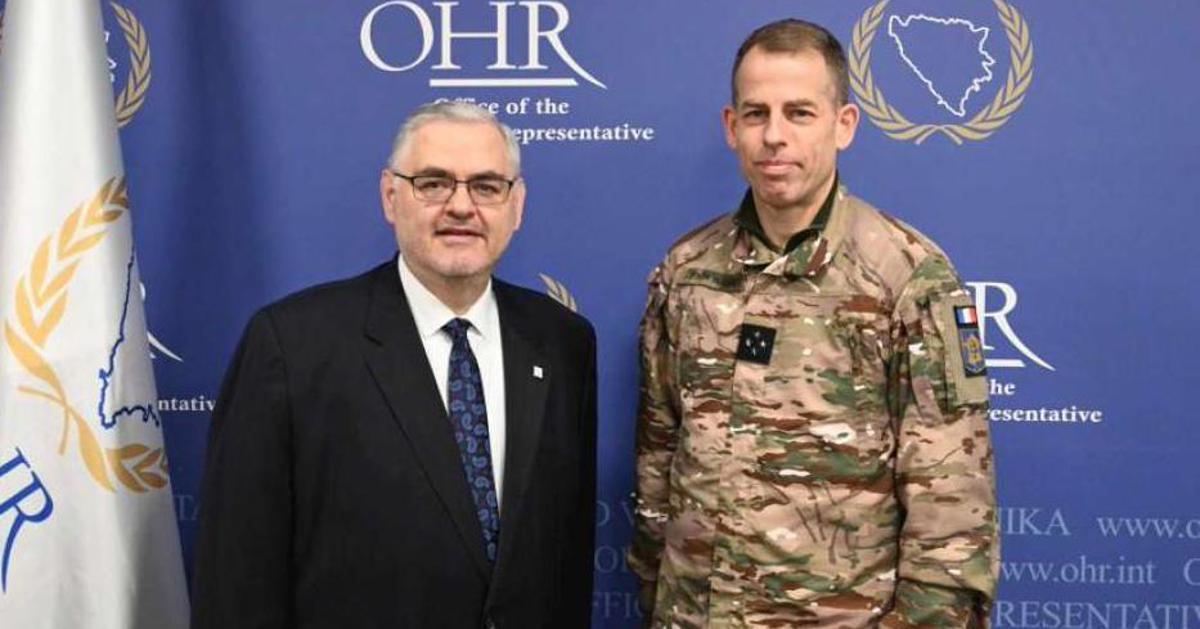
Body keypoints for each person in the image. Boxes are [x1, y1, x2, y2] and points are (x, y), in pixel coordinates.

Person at [629, 19, 998, 628]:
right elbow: (658, 456)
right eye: (756, 114)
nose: (774, 136)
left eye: (799, 113)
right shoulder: (687, 272)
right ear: (731, 127)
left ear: (843, 124)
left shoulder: (909, 278)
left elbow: (952, 506)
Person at [191, 101, 597, 628]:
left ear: (516, 205)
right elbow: (237, 577)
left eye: (486, 186)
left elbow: (565, 558)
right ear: (390, 196)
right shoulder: (292, 344)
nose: (461, 206)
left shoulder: (562, 342)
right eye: (433, 184)